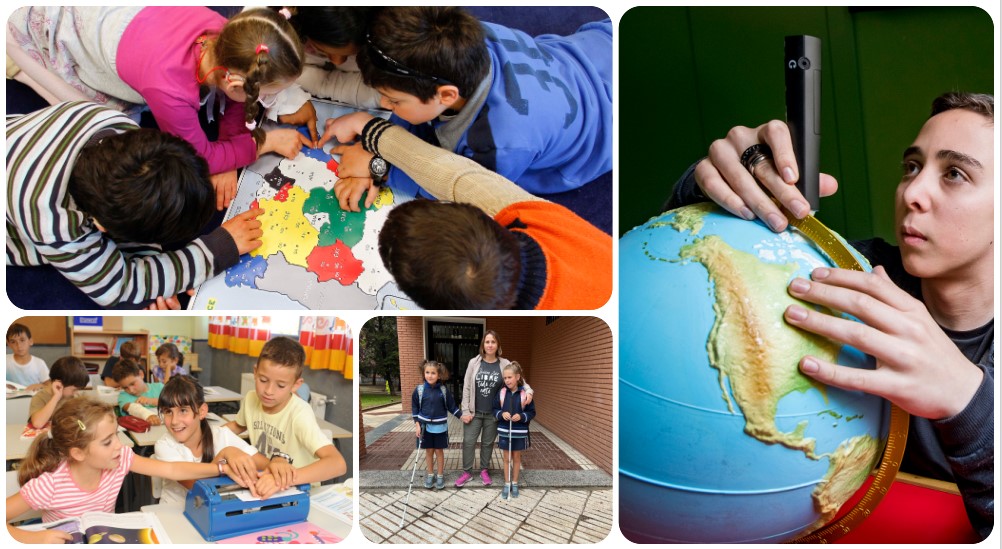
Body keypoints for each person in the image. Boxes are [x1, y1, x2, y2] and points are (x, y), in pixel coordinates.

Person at [666, 92, 993, 539]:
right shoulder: (846, 272)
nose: (912, 193)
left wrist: (969, 401)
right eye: (912, 167)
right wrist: (710, 183)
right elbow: (687, 285)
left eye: (954, 174)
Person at [7, 6, 310, 211]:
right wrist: (261, 142)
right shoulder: (169, 90)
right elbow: (198, 156)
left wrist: (231, 151)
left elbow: (235, 101)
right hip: (75, 33)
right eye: (265, 95)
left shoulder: (231, 38)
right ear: (234, 84)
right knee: (109, 121)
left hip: (134, 26)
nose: (264, 102)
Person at [324, 6, 612, 210]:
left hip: (606, 131)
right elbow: (417, 110)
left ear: (446, 95)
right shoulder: (471, 38)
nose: (384, 106)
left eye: (394, 101)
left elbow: (455, 186)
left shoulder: (499, 144)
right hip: (596, 48)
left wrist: (380, 167)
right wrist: (382, 144)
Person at [321, 113, 611, 309]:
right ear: (482, 216)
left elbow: (452, 175)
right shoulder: (535, 216)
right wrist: (365, 128)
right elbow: (451, 174)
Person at [6, 101, 264, 309]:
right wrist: (215, 251)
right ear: (101, 227)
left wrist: (152, 269)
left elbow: (141, 195)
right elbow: (115, 287)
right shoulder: (51, 221)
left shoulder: (115, 125)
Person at [6, 398, 248, 544]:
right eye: (107, 441)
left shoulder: (119, 459)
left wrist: (219, 468)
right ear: (78, 453)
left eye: (116, 436)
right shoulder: (50, 485)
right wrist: (34, 538)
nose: (119, 446)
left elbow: (172, 469)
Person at [224, 337, 347, 491]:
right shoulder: (251, 398)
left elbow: (338, 463)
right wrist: (209, 435)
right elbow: (237, 425)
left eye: (280, 385)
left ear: (296, 385)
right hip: (265, 478)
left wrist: (285, 479)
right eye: (263, 380)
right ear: (255, 372)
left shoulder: (299, 413)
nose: (268, 391)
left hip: (298, 488)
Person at [266, 6, 382, 147]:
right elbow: (273, 71)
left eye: (349, 54)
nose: (337, 61)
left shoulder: (379, 40)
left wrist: (320, 84)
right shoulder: (275, 29)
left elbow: (382, 93)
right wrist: (293, 99)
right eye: (321, 50)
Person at [154, 376, 274, 506]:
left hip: (216, 512)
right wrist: (225, 454)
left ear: (202, 411)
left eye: (183, 411)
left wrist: (271, 474)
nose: (174, 421)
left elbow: (267, 465)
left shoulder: (221, 435)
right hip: (174, 514)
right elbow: (198, 488)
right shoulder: (164, 446)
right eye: (168, 412)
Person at [455, 331, 533, 487]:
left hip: (493, 414)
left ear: (498, 345)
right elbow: (467, 387)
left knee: (487, 443)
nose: (490, 345)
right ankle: (467, 472)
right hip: (474, 413)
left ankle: (484, 470)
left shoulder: (504, 363)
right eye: (487, 342)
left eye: (493, 342)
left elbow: (520, 379)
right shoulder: (474, 362)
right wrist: (465, 411)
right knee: (469, 442)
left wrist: (529, 390)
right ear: (483, 345)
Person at [411, 360, 462, 490]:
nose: (430, 375)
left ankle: (440, 475)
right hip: (424, 427)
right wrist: (417, 425)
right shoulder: (419, 390)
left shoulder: (443, 391)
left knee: (439, 451)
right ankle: (430, 474)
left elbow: (452, 406)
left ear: (439, 375)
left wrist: (462, 416)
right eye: (427, 372)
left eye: (433, 373)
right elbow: (415, 409)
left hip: (440, 427)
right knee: (429, 451)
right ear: (424, 373)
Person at [493, 361, 535, 500]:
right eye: (505, 378)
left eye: (509, 377)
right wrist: (501, 414)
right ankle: (506, 483)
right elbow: (495, 409)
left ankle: (515, 483)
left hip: (519, 431)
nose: (507, 380)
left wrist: (522, 416)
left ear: (517, 377)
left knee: (516, 458)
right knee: (506, 459)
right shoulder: (501, 393)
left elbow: (532, 412)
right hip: (505, 430)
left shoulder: (525, 394)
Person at [27, 357, 90, 429]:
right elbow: (38, 423)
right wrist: (56, 397)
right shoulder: (39, 398)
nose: (76, 393)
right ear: (59, 384)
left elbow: (83, 421)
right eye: (74, 390)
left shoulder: (74, 397)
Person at [113, 358, 164, 426]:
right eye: (125, 387)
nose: (131, 390)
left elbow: (173, 404)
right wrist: (148, 415)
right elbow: (133, 408)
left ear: (141, 374)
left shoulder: (160, 387)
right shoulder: (123, 397)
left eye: (132, 384)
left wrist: (151, 401)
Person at [6, 323, 48, 390]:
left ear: (30, 341)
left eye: (22, 340)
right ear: (9, 344)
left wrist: (40, 385)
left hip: (33, 399)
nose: (19, 345)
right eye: (13, 342)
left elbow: (49, 385)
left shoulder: (39, 363)